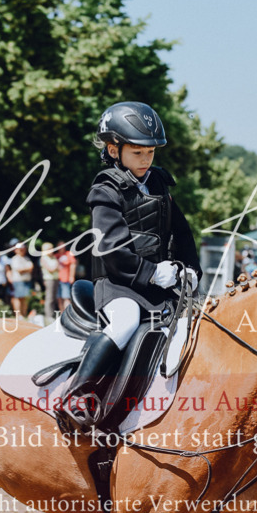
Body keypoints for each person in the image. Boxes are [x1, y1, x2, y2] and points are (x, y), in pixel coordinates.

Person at [57, 101, 202, 431]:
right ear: (114, 149)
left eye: (150, 152)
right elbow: (112, 250)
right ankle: (77, 395)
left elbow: (182, 233)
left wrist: (191, 269)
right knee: (125, 322)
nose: (146, 159)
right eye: (137, 152)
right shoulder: (104, 191)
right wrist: (153, 273)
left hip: (160, 285)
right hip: (118, 285)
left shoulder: (159, 184)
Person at [8, 240, 34, 317]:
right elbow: (20, 270)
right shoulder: (15, 259)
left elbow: (31, 268)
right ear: (16, 250)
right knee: (18, 298)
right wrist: (27, 268)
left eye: (23, 249)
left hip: (27, 281)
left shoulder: (27, 258)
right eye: (20, 249)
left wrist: (25, 269)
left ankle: (24, 314)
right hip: (18, 281)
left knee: (25, 298)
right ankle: (18, 315)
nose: (22, 250)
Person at [40, 241, 59, 322]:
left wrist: (56, 267)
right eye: (50, 249)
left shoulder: (53, 257)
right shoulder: (43, 258)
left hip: (55, 278)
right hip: (49, 279)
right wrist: (56, 266)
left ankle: (53, 314)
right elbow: (51, 269)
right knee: (49, 298)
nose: (52, 250)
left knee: (54, 298)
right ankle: (48, 315)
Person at [56, 240, 76, 311]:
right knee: (59, 298)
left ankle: (67, 312)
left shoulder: (68, 254)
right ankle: (62, 313)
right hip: (56, 279)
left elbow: (73, 265)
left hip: (65, 279)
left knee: (66, 297)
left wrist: (71, 276)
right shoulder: (56, 256)